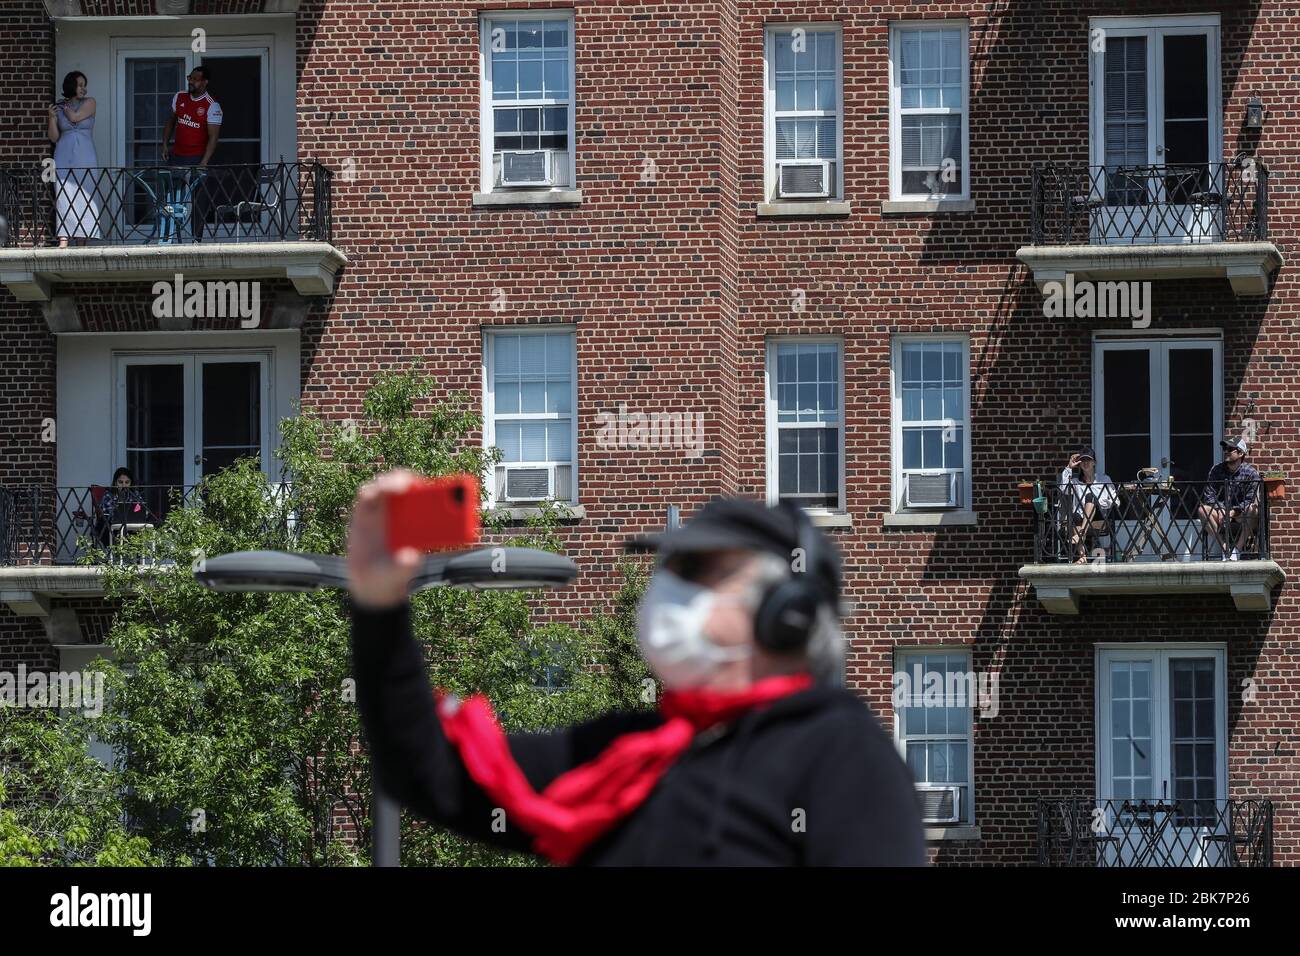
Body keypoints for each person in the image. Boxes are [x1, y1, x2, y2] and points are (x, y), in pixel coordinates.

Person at [348, 469, 926, 866]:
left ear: (787, 613)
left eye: (698, 570)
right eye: (668, 568)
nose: (666, 588)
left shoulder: (844, 757)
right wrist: (378, 603)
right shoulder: (633, 755)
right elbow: (430, 776)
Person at [160, 65, 223, 240]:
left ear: (204, 82)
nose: (191, 82)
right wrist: (165, 144)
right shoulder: (179, 97)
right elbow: (170, 121)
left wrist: (204, 162)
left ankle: (196, 240)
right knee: (171, 200)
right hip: (177, 156)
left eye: (195, 79)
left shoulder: (212, 105)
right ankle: (169, 237)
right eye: (190, 78)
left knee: (198, 202)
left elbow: (213, 138)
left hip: (197, 158)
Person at [47, 71, 100, 248]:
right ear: (71, 86)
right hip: (64, 152)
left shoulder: (90, 102)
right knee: (64, 193)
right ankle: (64, 237)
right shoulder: (59, 107)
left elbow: (75, 117)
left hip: (84, 153)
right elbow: (54, 138)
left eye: (84, 85)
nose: (83, 89)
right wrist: (52, 118)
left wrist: (65, 108)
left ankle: (82, 238)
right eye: (80, 85)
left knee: (85, 193)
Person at [1198, 438, 1260, 561]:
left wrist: (1232, 512)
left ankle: (1237, 549)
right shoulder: (1216, 470)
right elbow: (1209, 495)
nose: (1226, 451)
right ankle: (1225, 548)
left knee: (1253, 510)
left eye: (1230, 449)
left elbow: (1250, 499)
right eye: (1225, 449)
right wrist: (1220, 509)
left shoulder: (1251, 473)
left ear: (1241, 453)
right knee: (1202, 510)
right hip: (1220, 513)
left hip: (1240, 514)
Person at [1059, 446, 1116, 563]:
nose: (1085, 463)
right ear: (1079, 464)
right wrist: (1069, 467)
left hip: (1099, 515)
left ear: (1094, 462)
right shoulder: (1075, 482)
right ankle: (1082, 556)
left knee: (1090, 497)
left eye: (1088, 460)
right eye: (1082, 460)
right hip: (1081, 517)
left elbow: (1115, 499)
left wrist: (1100, 502)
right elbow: (1063, 489)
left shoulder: (1104, 479)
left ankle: (1081, 534)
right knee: (1074, 516)